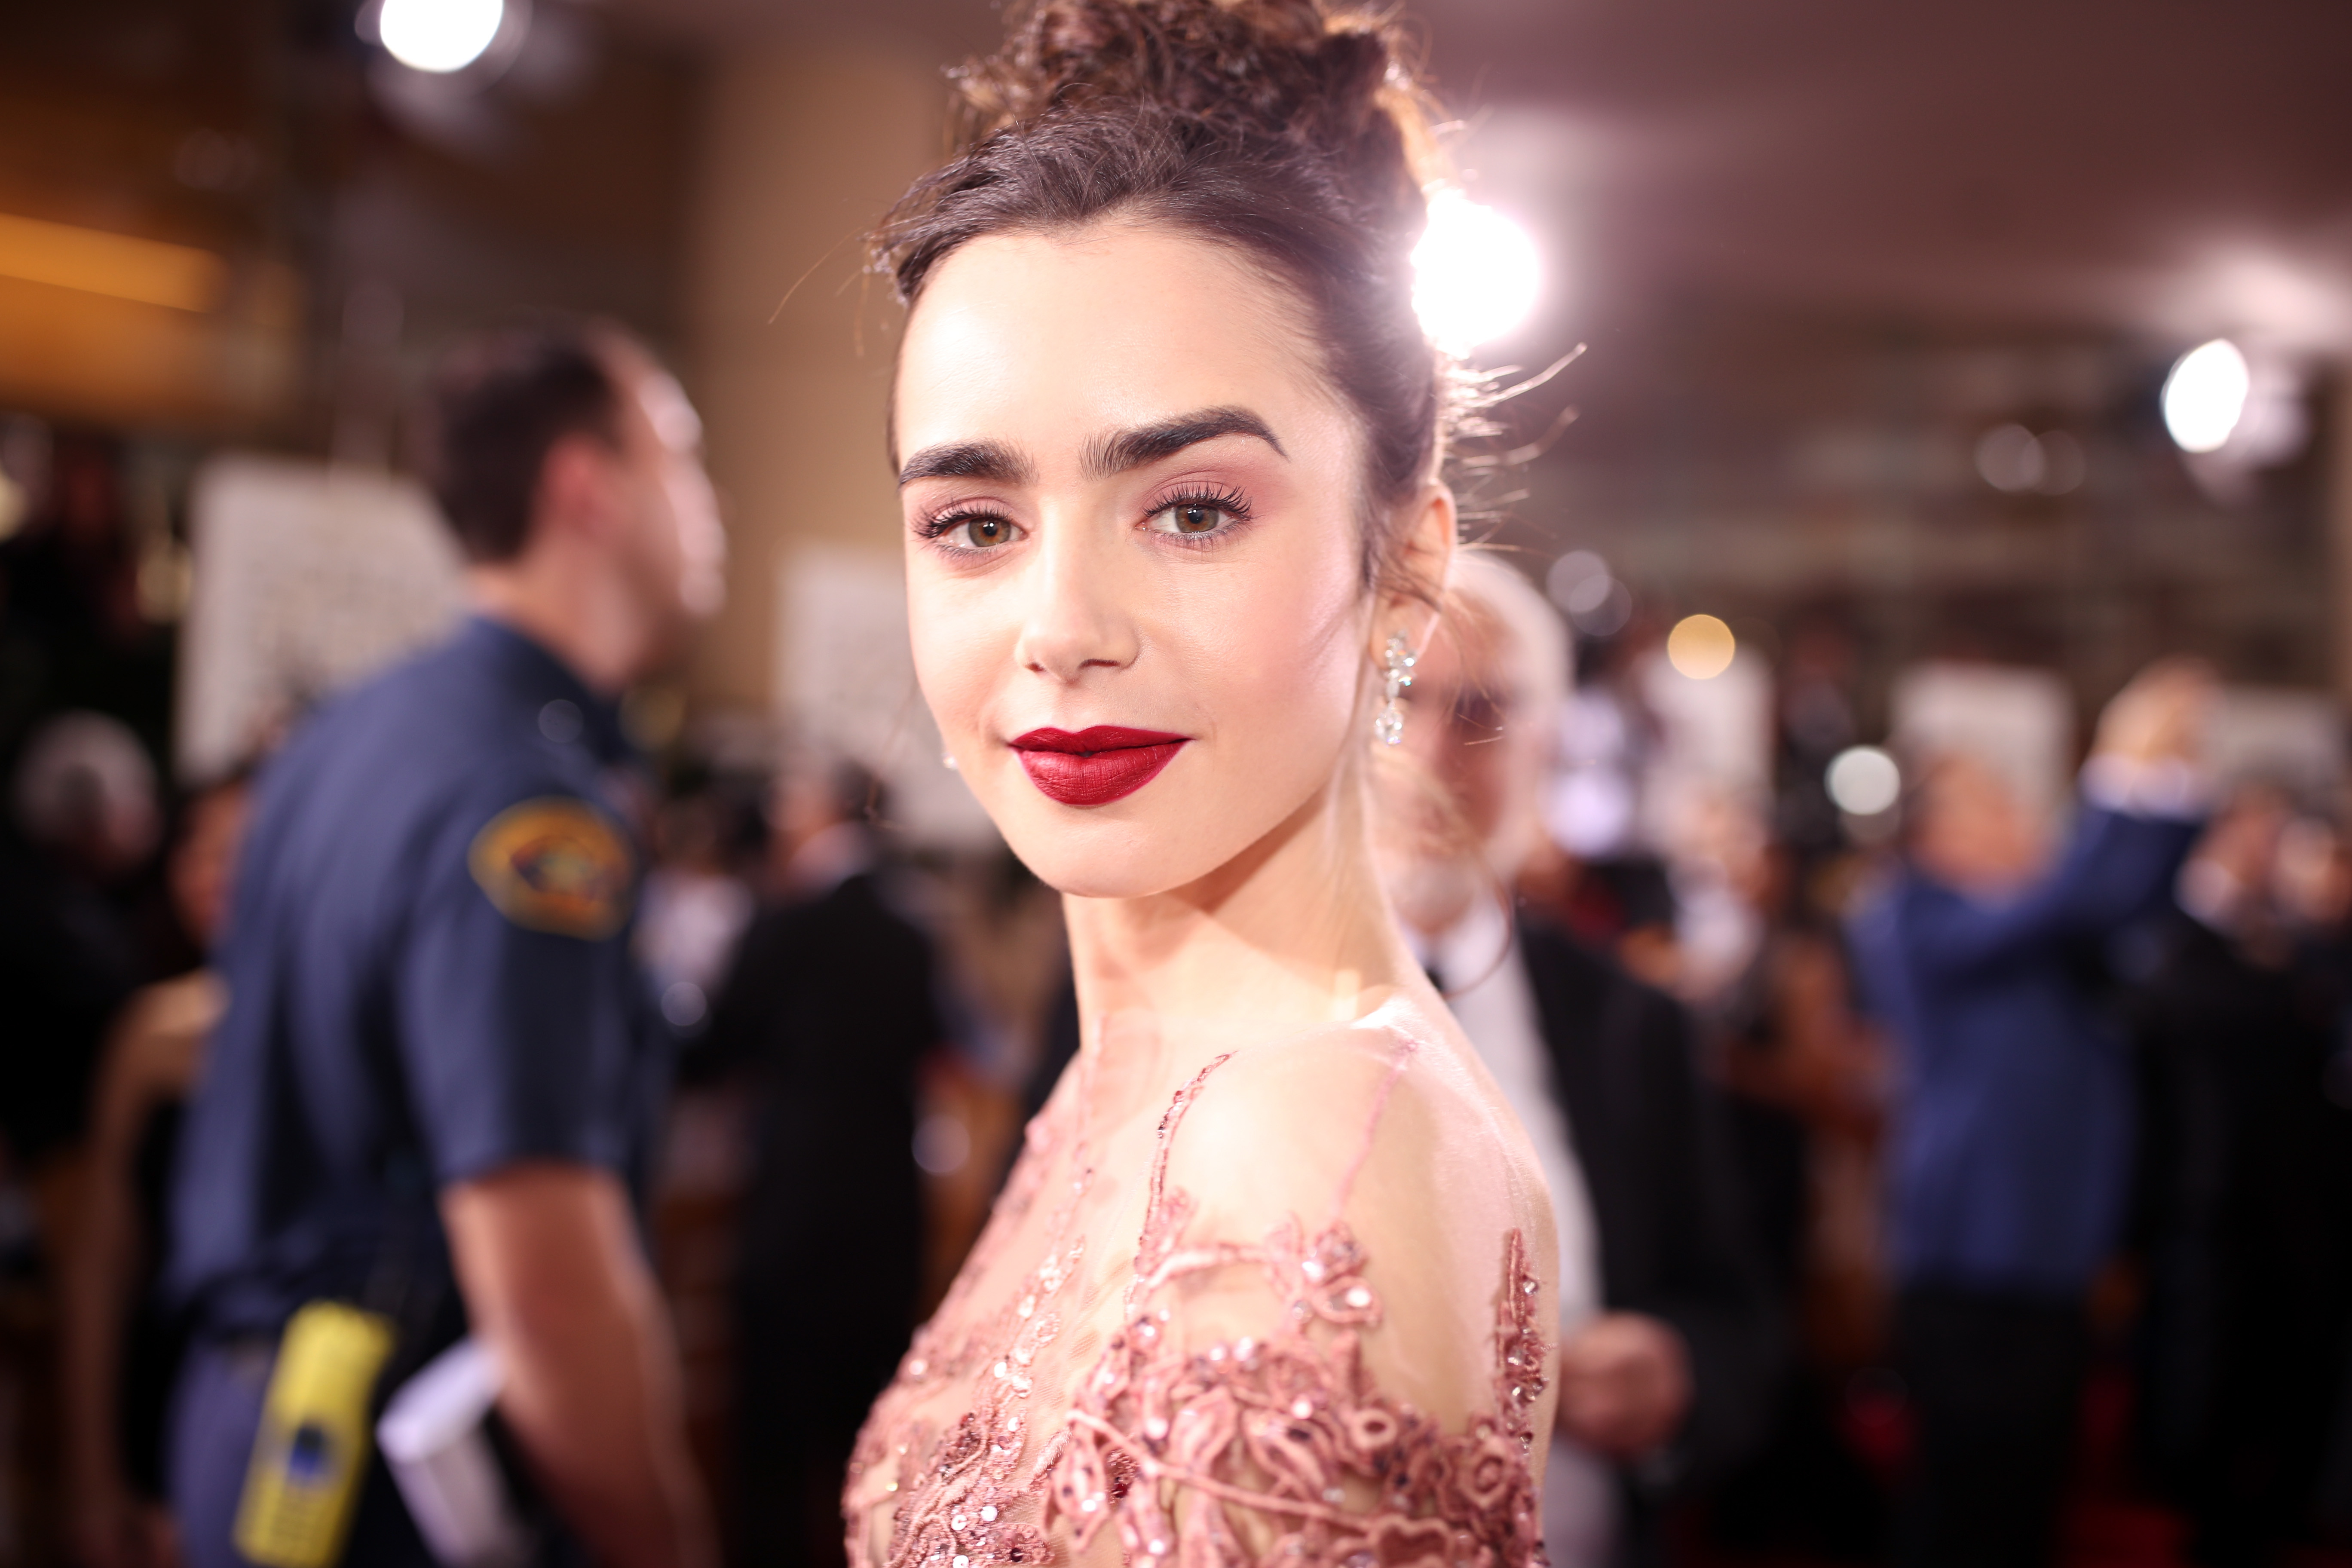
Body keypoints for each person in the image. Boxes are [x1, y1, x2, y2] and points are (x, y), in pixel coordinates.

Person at [841, 3, 1562, 1566]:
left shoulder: (1318, 1139)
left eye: (1190, 509)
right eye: (973, 521)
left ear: (1405, 560)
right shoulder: (1132, 1080)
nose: (1060, 630)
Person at [163, 318, 725, 1568]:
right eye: (679, 457)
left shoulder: (338, 741)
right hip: (389, 1461)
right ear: (586, 488)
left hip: (258, 1422)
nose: (709, 505)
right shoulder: (530, 810)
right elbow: (543, 1283)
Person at [1383, 555, 1782, 1568]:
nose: (1436, 748)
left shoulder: (1629, 1022)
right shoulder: (1190, 995)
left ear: (1546, 743)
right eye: (1397, 698)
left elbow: (1740, 1312)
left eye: (1483, 711)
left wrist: (1678, 1379)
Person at [1847, 658, 2214, 1568]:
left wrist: (2160, 782)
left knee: (2027, 1505)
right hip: (1972, 1260)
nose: (2018, 819)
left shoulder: (2033, 932)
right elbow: (2083, 895)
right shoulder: (1913, 915)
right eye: (1987, 803)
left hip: (2048, 1258)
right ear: (1929, 835)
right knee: (1964, 1502)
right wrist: (2125, 771)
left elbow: (2119, 899)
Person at [689, 760, 952, 1568]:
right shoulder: (916, 933)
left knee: (772, 1439)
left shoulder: (787, 924)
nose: (777, 811)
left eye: (789, 797)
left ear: (828, 813)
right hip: (888, 1207)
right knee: (868, 1434)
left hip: (796, 1208)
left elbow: (709, 1054)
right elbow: (941, 1044)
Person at [62, 769, 251, 1568]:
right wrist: (93, 1474)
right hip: (163, 1408)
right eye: (196, 845)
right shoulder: (153, 1035)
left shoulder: (372, 1038)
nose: (213, 871)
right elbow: (102, 1266)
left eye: (242, 848)